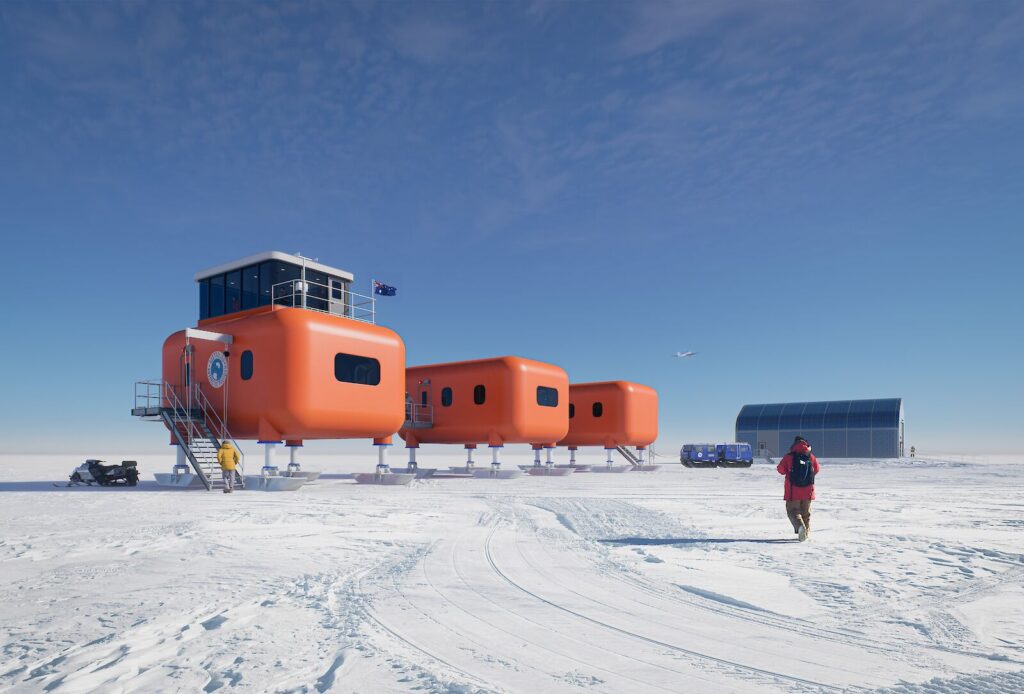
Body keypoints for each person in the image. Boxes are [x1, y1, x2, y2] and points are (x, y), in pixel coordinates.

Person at [776, 436, 820, 541]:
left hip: (793, 491)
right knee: (806, 513)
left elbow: (780, 469)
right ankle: (806, 532)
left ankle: (800, 527)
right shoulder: (811, 456)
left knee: (793, 511)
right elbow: (817, 469)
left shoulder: (789, 457)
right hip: (808, 490)